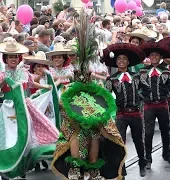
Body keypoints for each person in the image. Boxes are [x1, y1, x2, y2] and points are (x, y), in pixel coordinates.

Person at [51, 8, 126, 180]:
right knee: (78, 135)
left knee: (94, 135)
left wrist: (94, 115)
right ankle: (75, 168)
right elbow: (64, 107)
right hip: (75, 124)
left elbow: (101, 104)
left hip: (92, 122)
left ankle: (93, 169)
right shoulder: (69, 88)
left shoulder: (93, 86)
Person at [0, 38, 58, 179]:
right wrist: (3, 84)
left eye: (15, 56)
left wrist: (47, 87)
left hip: (25, 109)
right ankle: (7, 169)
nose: (13, 59)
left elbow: (31, 84)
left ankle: (22, 167)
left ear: (19, 58)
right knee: (11, 139)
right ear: (5, 59)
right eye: (10, 57)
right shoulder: (2, 74)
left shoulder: (24, 73)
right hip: (9, 110)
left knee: (28, 137)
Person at [103, 43, 147, 177]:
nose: (121, 61)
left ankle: (142, 163)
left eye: (124, 59)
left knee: (138, 140)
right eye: (119, 59)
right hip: (121, 114)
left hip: (136, 113)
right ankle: (122, 168)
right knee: (120, 142)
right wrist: (112, 105)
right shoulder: (112, 79)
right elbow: (106, 96)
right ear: (116, 63)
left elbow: (147, 89)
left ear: (128, 62)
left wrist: (138, 97)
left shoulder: (137, 76)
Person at [139, 41, 170, 169]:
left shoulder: (166, 71)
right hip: (148, 105)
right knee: (148, 133)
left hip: (162, 104)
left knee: (165, 131)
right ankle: (148, 159)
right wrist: (142, 96)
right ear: (149, 57)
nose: (154, 57)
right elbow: (136, 88)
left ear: (160, 57)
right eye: (152, 55)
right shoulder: (143, 71)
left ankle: (166, 155)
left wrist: (167, 87)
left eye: (157, 55)